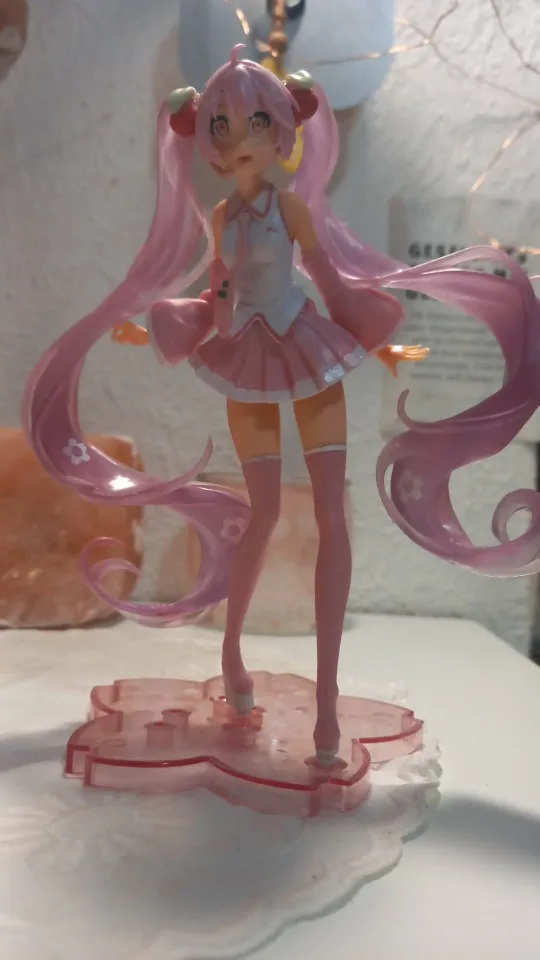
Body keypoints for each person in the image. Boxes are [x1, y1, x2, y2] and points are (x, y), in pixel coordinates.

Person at [23, 46, 540, 764]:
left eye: (254, 122)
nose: (238, 139)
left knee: (329, 513)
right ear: (205, 137)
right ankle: (233, 658)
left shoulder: (288, 208)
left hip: (307, 350)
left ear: (282, 129)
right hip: (242, 357)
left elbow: (327, 276)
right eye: (221, 125)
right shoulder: (223, 216)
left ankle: (326, 706)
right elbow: (219, 290)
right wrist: (161, 327)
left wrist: (377, 339)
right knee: (259, 511)